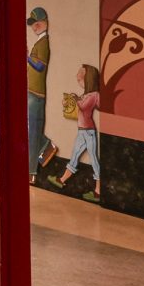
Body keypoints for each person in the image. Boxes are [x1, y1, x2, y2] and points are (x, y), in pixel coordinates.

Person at [57, 63, 102, 194]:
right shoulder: (86, 95)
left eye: (80, 75)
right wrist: (69, 100)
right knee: (75, 155)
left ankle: (98, 190)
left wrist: (76, 99)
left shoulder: (93, 95)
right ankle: (62, 179)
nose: (78, 78)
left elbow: (83, 106)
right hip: (82, 131)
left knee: (93, 158)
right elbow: (78, 108)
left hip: (88, 132)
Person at [23, 7, 52, 171]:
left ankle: (31, 170)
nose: (35, 27)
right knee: (30, 128)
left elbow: (40, 66)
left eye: (37, 23)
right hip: (31, 91)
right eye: (33, 24)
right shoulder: (40, 42)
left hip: (36, 93)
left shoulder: (44, 43)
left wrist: (27, 56)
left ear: (45, 22)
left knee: (32, 131)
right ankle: (46, 146)